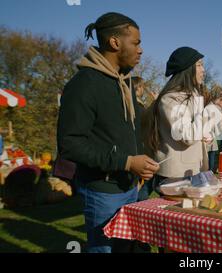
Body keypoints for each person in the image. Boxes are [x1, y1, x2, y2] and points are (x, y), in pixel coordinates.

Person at [57, 12, 159, 253]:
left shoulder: (123, 84)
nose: (141, 49)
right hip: (102, 193)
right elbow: (70, 145)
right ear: (115, 42)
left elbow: (124, 135)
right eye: (136, 42)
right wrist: (126, 162)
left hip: (130, 188)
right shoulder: (84, 84)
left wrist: (140, 162)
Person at [143, 46, 209, 194]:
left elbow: (194, 132)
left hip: (194, 170)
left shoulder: (194, 97)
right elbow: (187, 137)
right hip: (176, 176)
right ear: (187, 69)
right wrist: (212, 111)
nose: (203, 69)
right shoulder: (170, 99)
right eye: (199, 65)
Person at [203, 85, 222, 173]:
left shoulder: (212, 108)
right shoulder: (210, 108)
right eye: (220, 99)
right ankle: (210, 173)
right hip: (209, 136)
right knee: (210, 157)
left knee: (212, 156)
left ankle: (210, 172)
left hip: (212, 136)